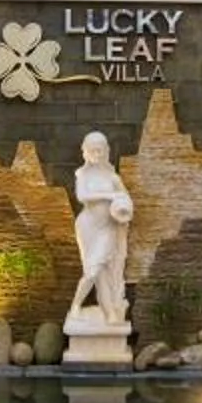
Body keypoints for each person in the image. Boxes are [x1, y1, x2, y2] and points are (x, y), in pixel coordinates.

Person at [68, 131, 134, 326]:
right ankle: (102, 311)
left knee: (96, 269)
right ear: (85, 152)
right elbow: (82, 196)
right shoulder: (82, 174)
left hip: (107, 228)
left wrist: (122, 205)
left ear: (106, 152)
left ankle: (83, 307)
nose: (96, 154)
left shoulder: (113, 177)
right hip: (87, 227)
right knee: (96, 272)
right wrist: (109, 195)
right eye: (92, 151)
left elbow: (126, 198)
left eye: (100, 150)